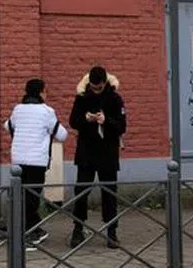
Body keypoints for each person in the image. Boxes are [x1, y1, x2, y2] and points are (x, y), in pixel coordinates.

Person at [4, 78, 68, 249]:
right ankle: (31, 234)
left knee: (21, 196)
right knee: (32, 197)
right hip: (36, 161)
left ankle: (26, 230)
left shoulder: (18, 109)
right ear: (40, 92)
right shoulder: (46, 111)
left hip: (18, 159)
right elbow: (61, 135)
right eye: (45, 91)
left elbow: (7, 125)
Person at [68, 66, 126, 249]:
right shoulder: (82, 98)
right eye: (93, 87)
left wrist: (105, 121)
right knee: (81, 191)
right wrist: (86, 118)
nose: (96, 90)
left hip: (108, 151)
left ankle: (112, 230)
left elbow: (122, 126)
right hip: (86, 151)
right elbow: (72, 121)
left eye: (99, 87)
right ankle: (78, 228)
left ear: (105, 83)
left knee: (109, 192)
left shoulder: (115, 99)